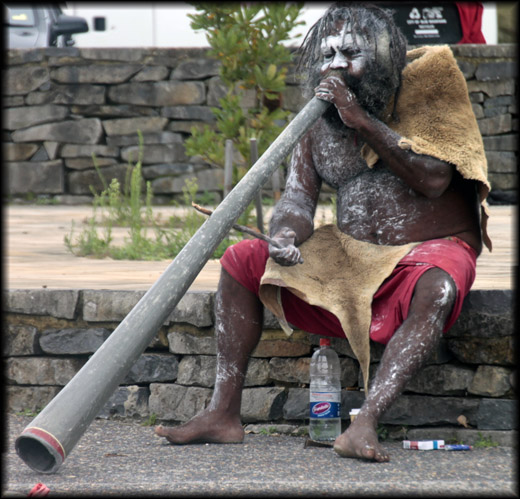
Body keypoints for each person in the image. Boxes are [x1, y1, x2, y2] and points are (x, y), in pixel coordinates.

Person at [156, 3, 491, 462]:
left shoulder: (431, 87)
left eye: (349, 52)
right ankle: (222, 413)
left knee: (440, 281)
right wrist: (286, 236)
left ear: (384, 54)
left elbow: (433, 180)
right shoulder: (320, 121)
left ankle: (365, 423)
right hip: (350, 258)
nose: (335, 65)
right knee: (242, 260)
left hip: (426, 252)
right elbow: (297, 200)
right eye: (326, 53)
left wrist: (362, 120)